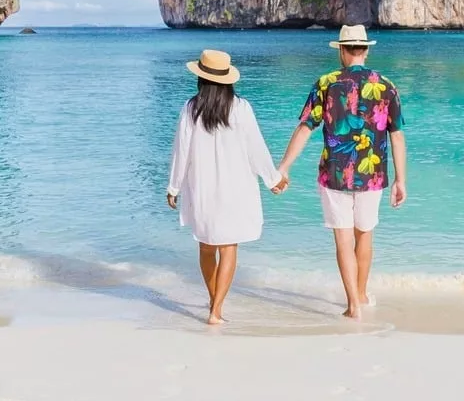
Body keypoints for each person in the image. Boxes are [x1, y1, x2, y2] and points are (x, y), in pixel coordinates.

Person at [278, 24, 406, 320]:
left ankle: (353, 305)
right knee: (365, 236)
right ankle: (361, 293)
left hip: (334, 173)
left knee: (343, 240)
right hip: (372, 174)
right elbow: (397, 135)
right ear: (366, 49)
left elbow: (305, 127)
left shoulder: (326, 83)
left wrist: (284, 167)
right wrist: (401, 179)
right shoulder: (386, 85)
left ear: (342, 50)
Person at [167, 49, 288, 325]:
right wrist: (273, 179)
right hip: (236, 189)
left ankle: (214, 301)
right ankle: (216, 309)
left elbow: (180, 152)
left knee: (206, 247)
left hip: (202, 188)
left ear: (201, 79)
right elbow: (256, 148)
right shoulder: (241, 108)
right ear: (227, 80)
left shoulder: (190, 108)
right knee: (228, 248)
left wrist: (173, 187)